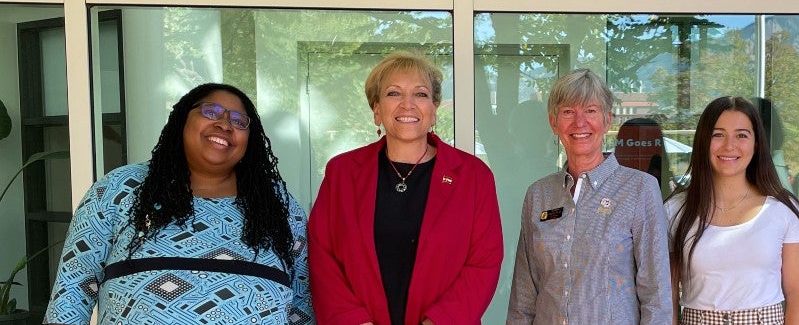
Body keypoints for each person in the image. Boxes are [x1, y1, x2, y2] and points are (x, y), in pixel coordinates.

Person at [44, 83, 314, 324]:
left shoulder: (279, 206)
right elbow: (73, 290)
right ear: (181, 120)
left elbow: (303, 304)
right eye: (211, 111)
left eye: (239, 120)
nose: (224, 124)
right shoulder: (119, 189)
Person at [308, 51, 503, 325]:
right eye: (393, 93)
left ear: (434, 109)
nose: (407, 104)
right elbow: (322, 257)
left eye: (421, 94)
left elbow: (484, 262)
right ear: (377, 109)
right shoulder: (342, 173)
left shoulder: (473, 177)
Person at [507, 69, 672, 324]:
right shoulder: (538, 195)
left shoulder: (639, 190)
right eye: (568, 112)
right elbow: (524, 296)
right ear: (554, 123)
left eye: (591, 111)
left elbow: (656, 296)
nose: (579, 122)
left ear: (607, 120)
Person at [665, 96, 799, 325]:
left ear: (757, 143)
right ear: (703, 141)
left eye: (741, 135)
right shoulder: (675, 210)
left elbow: (798, 295)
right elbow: (667, 297)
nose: (729, 146)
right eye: (718, 134)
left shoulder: (784, 209)